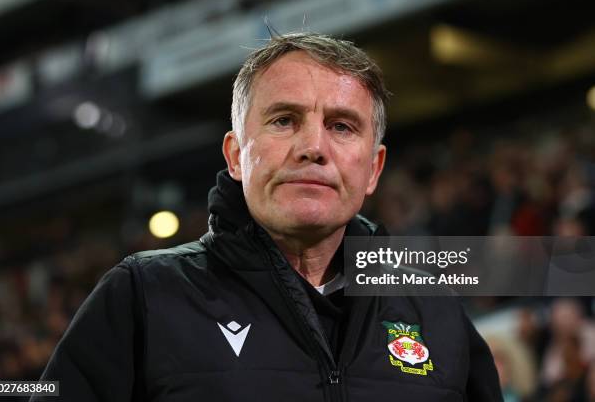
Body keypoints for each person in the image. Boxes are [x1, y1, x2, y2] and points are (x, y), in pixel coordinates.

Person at [32, 33, 502, 401]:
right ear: (236, 156)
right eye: (284, 121)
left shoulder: (435, 310)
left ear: (374, 168)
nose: (313, 148)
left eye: (341, 126)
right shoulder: (142, 295)